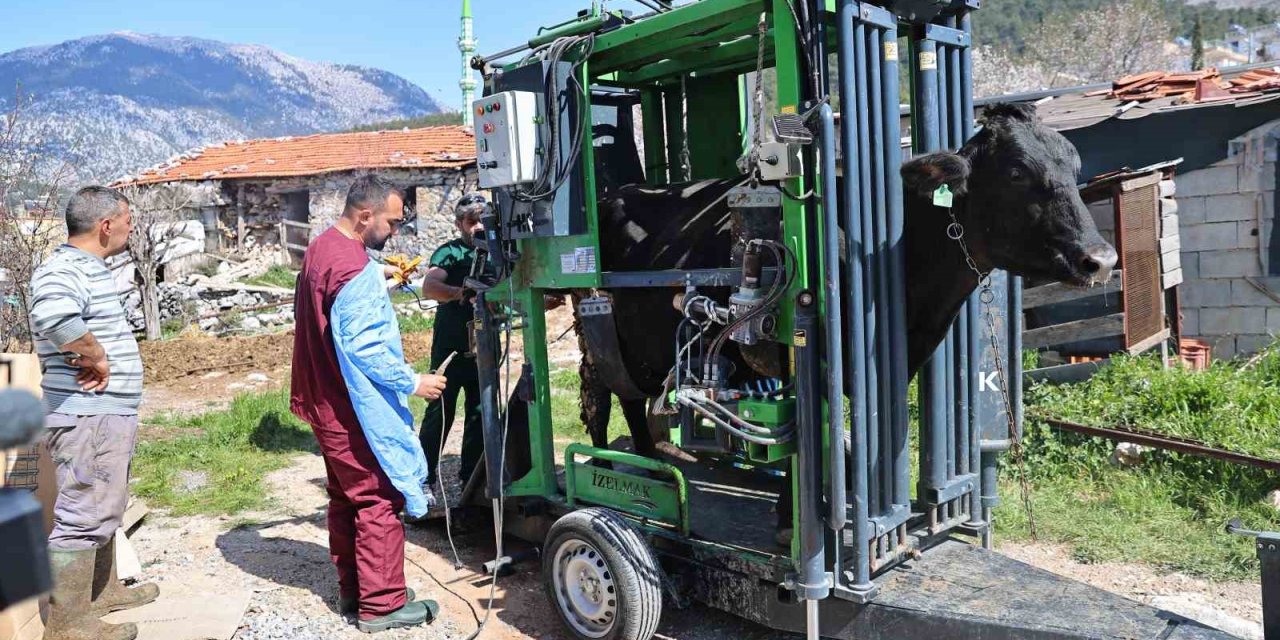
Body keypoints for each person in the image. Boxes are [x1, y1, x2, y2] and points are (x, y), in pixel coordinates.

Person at [290, 174, 448, 633]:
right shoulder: (353, 268)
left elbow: (338, 303)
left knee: (345, 496)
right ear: (365, 217)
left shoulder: (323, 248)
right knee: (379, 495)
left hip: (321, 397)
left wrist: (379, 280)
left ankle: (356, 589)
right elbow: (365, 348)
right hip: (348, 406)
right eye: (391, 222)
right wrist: (412, 381)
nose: (394, 232)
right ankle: (382, 604)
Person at [29, 186, 159, 640]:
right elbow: (52, 317)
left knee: (105, 505)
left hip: (102, 413)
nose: (130, 226)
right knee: (84, 513)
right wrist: (97, 355)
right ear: (106, 225)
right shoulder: (63, 269)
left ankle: (101, 593)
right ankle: (68, 625)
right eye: (127, 218)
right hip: (88, 414)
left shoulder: (85, 268)